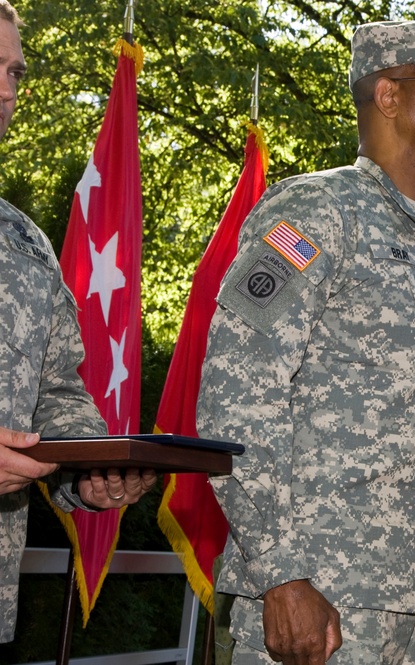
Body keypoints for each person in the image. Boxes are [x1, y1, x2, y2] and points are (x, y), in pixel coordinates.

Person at [196, 20, 415, 665]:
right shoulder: (313, 212)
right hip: (321, 589)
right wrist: (281, 573)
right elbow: (238, 395)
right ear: (388, 94)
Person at [0, 1, 155, 644]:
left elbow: (58, 391)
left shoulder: (25, 244)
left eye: (14, 71)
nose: (7, 88)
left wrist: (91, 469)